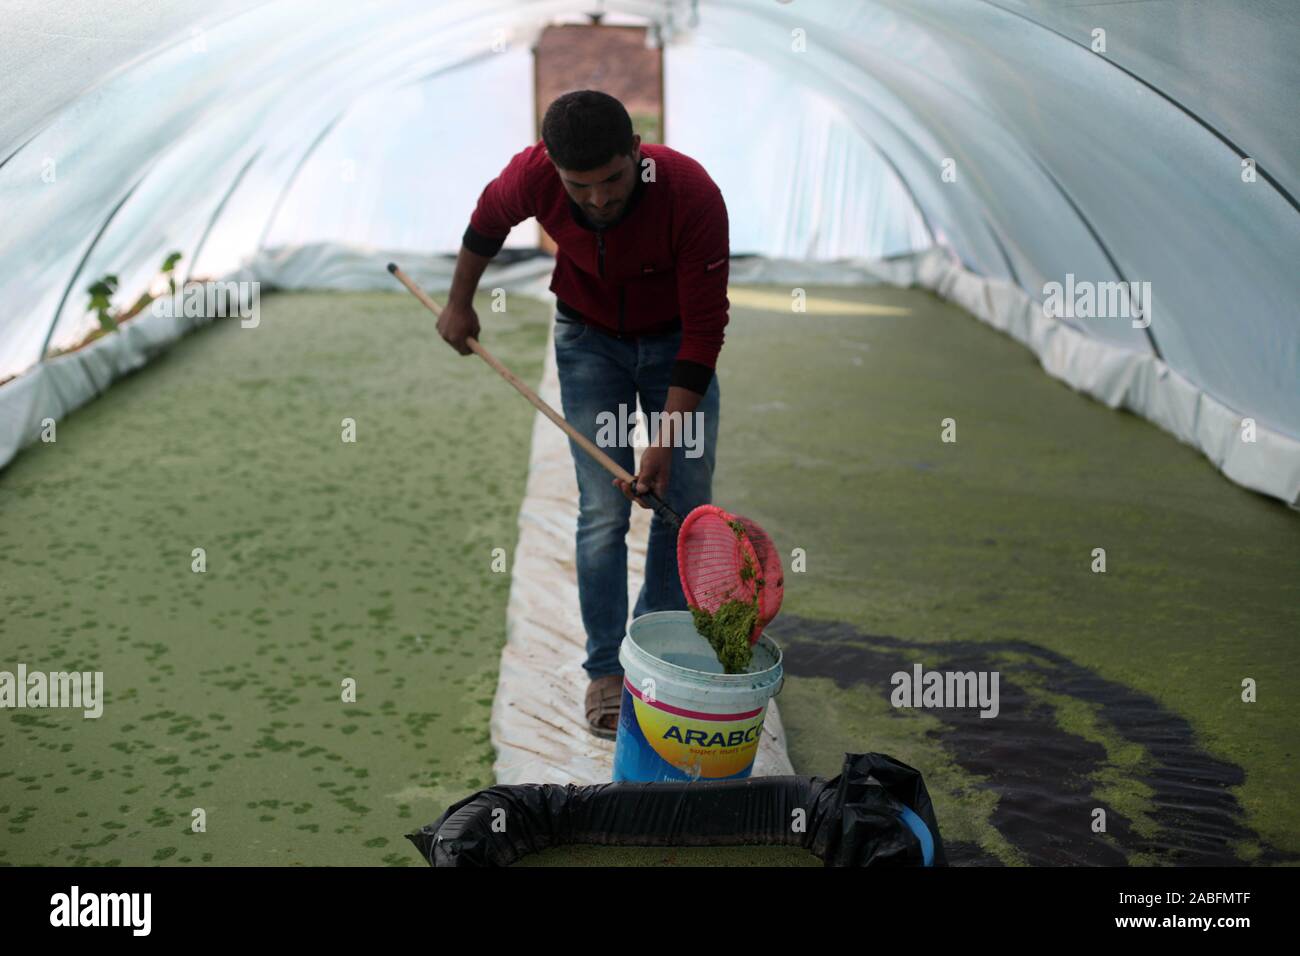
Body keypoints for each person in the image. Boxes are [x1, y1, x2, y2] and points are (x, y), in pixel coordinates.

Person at [436, 90, 729, 739]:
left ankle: (653, 658)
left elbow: (705, 331)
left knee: (680, 503)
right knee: (604, 508)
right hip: (587, 340)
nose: (597, 199)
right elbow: (486, 222)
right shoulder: (533, 173)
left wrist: (665, 442)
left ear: (636, 153)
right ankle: (606, 671)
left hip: (674, 340)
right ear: (554, 169)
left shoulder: (691, 192)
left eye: (612, 180)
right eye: (580, 187)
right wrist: (459, 303)